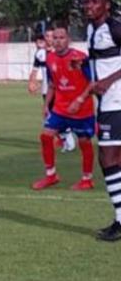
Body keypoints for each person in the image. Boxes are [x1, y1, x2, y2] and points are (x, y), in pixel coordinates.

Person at [30, 25, 94, 191]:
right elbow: (52, 84)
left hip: (81, 110)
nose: (57, 41)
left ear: (68, 40)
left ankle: (87, 179)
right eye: (55, 38)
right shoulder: (49, 58)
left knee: (84, 143)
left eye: (61, 38)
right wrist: (46, 106)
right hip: (60, 108)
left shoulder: (80, 58)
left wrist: (79, 100)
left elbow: (93, 82)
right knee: (45, 136)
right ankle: (51, 175)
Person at [84, 0, 121, 241]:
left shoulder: (115, 27)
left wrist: (107, 80)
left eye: (95, 1)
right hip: (107, 101)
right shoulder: (90, 29)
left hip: (116, 100)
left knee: (107, 159)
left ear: (106, 5)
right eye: (86, 2)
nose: (89, 5)